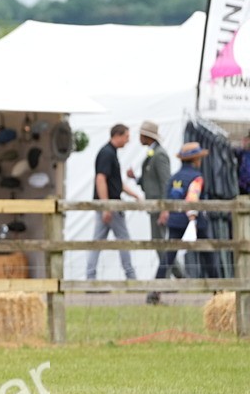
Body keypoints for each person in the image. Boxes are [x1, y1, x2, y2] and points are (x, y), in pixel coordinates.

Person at [86, 124, 142, 282]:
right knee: (124, 241)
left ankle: (90, 278)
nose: (128, 141)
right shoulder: (107, 154)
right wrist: (107, 206)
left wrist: (134, 194)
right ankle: (131, 277)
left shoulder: (110, 153)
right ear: (117, 135)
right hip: (112, 206)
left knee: (97, 243)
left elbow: (115, 182)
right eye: (126, 137)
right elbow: (101, 179)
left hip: (108, 205)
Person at [127, 121, 174, 303]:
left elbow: (165, 182)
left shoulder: (160, 155)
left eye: (141, 134)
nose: (139, 137)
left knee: (159, 243)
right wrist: (137, 179)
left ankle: (170, 277)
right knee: (160, 243)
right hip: (154, 206)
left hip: (158, 207)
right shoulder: (152, 153)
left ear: (147, 136)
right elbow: (152, 180)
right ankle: (176, 275)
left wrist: (165, 208)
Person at [162, 142, 221, 280]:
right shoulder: (197, 177)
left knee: (169, 256)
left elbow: (167, 197)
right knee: (207, 255)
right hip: (194, 220)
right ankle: (219, 290)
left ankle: (154, 290)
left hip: (175, 220)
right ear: (195, 159)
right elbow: (193, 198)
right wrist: (193, 218)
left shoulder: (174, 177)